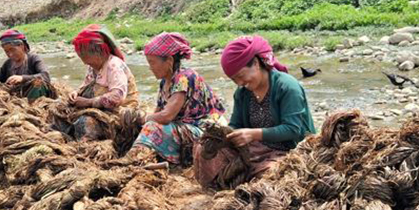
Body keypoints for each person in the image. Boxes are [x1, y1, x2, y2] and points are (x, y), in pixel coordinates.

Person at [195, 35, 315, 188]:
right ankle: (214, 189)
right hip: (255, 150)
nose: (240, 83)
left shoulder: (287, 87)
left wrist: (253, 134)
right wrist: (223, 135)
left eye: (241, 76)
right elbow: (236, 124)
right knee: (204, 149)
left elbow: (293, 129)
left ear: (257, 64)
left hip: (288, 150)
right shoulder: (242, 93)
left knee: (273, 176)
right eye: (234, 80)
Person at [130, 33, 225, 165]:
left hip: (204, 132)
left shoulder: (184, 78)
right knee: (146, 126)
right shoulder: (165, 82)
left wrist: (144, 118)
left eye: (152, 62)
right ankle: (141, 158)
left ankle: (133, 160)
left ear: (169, 60)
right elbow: (157, 112)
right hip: (184, 129)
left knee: (151, 126)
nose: (150, 68)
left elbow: (166, 116)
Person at [67, 24, 139, 140]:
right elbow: (86, 85)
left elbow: (117, 97)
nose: (85, 63)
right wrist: (75, 93)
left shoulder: (114, 65)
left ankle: (87, 147)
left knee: (84, 122)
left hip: (119, 113)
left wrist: (88, 102)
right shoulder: (93, 66)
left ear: (99, 51)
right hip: (100, 110)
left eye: (85, 56)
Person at [0, 29, 53, 100]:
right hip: (16, 98)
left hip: (34, 97)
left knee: (39, 83)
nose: (10, 54)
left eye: (12, 49)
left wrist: (23, 78)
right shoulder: (7, 64)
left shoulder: (33, 58)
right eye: (6, 51)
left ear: (21, 46)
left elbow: (45, 76)